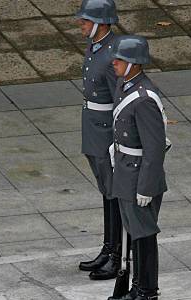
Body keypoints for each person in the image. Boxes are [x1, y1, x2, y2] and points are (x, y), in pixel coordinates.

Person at [109, 36, 167, 300]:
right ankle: (137, 286)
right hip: (125, 170)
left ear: (132, 64)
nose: (114, 62)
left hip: (139, 176)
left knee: (144, 236)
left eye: (119, 59)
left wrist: (146, 186)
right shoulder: (125, 85)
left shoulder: (143, 99)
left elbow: (154, 148)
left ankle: (148, 294)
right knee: (134, 234)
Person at [76, 0, 122, 281]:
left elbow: (120, 100)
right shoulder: (96, 47)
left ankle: (115, 255)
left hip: (106, 130)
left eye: (85, 20)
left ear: (101, 23)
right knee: (106, 190)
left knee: (113, 192)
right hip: (94, 125)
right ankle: (108, 248)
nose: (80, 24)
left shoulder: (112, 54)